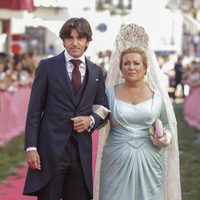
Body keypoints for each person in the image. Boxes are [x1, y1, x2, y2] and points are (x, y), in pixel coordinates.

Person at [23, 17, 108, 200]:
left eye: (80, 38)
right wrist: (31, 147)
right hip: (50, 151)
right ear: (63, 40)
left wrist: (90, 120)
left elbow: (103, 107)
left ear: (87, 41)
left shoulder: (96, 71)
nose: (75, 43)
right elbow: (34, 111)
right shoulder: (47, 67)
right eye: (70, 38)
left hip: (81, 152)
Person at [93, 24, 181, 200]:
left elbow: (166, 124)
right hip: (115, 158)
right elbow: (99, 117)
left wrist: (165, 138)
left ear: (145, 67)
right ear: (120, 68)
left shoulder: (157, 96)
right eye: (126, 63)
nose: (131, 67)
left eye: (136, 63)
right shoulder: (109, 92)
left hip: (150, 158)